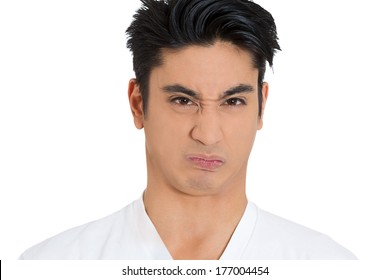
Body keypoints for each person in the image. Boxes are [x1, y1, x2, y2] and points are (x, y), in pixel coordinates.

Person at [20, 0, 356, 260]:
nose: (208, 135)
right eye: (183, 100)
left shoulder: (327, 265)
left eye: (233, 101)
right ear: (138, 103)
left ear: (261, 106)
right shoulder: (54, 264)